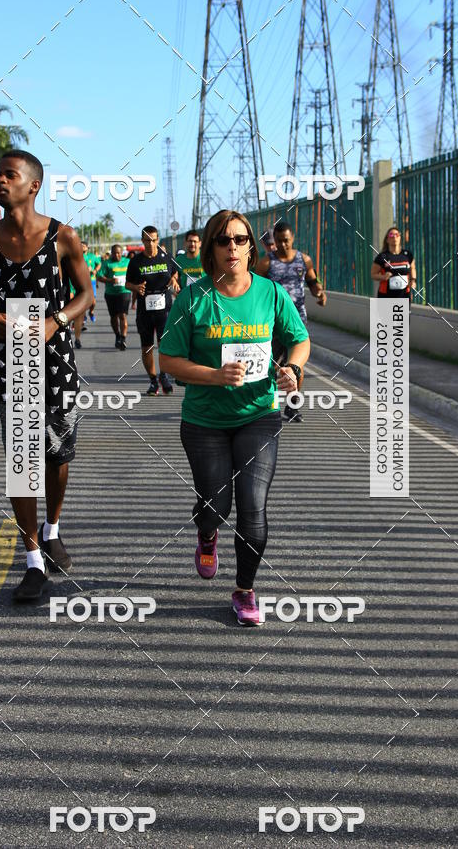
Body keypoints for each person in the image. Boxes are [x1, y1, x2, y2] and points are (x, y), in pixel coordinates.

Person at [159, 209, 310, 626]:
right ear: (211, 247)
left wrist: (292, 371)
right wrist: (214, 375)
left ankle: (245, 589)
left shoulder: (270, 293)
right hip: (205, 419)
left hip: (258, 414)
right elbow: (168, 359)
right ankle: (207, 533)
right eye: (223, 240)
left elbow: (299, 340)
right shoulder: (194, 298)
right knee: (216, 507)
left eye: (241, 240)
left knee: (253, 507)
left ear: (251, 247)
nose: (232, 247)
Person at [0, 149, 93, 602]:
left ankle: (53, 525)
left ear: (32, 186)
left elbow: (86, 294)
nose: (0, 180)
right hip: (13, 360)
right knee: (22, 464)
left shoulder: (62, 237)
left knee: (58, 459)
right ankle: (33, 561)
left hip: (56, 358)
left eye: (10, 175)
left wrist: (54, 322)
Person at [255, 220, 325, 423]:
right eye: (278, 241)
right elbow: (256, 289)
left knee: (297, 367)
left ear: (292, 238)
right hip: (273, 324)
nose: (283, 245)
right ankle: (263, 402)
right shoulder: (266, 262)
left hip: (297, 322)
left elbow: (313, 281)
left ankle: (293, 406)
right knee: (267, 365)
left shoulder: (304, 259)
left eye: (286, 240)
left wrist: (319, 293)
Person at [125, 225, 180, 395]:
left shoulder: (166, 257)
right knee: (147, 347)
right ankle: (153, 381)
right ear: (142, 241)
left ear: (158, 240)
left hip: (164, 306)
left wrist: (173, 280)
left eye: (154, 240)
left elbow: (175, 273)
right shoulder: (136, 262)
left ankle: (164, 375)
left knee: (164, 345)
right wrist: (136, 287)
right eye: (147, 240)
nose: (151, 243)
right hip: (145, 308)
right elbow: (127, 283)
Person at [97, 243, 131, 349]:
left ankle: (123, 338)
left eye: (119, 253)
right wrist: (110, 280)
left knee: (122, 315)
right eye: (115, 253)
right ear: (111, 253)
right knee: (114, 317)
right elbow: (99, 276)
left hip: (124, 292)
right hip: (111, 293)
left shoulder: (127, 262)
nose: (117, 255)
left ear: (122, 253)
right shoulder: (107, 263)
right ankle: (117, 335)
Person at [371, 226, 416, 300]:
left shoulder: (407, 254)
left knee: (403, 312)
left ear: (400, 238)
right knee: (386, 312)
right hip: (386, 296)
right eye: (391, 235)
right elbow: (373, 274)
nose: (394, 237)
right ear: (387, 239)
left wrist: (413, 281)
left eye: (397, 235)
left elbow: (412, 268)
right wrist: (383, 277)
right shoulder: (382, 256)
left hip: (404, 295)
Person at [83, 241, 101, 322]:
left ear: (87, 247)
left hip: (91, 281)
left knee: (93, 302)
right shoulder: (78, 256)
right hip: (81, 281)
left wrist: (95, 270)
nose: (81, 247)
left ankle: (91, 312)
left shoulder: (92, 256)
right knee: (82, 300)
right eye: (80, 245)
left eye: (83, 246)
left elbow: (99, 264)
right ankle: (83, 316)